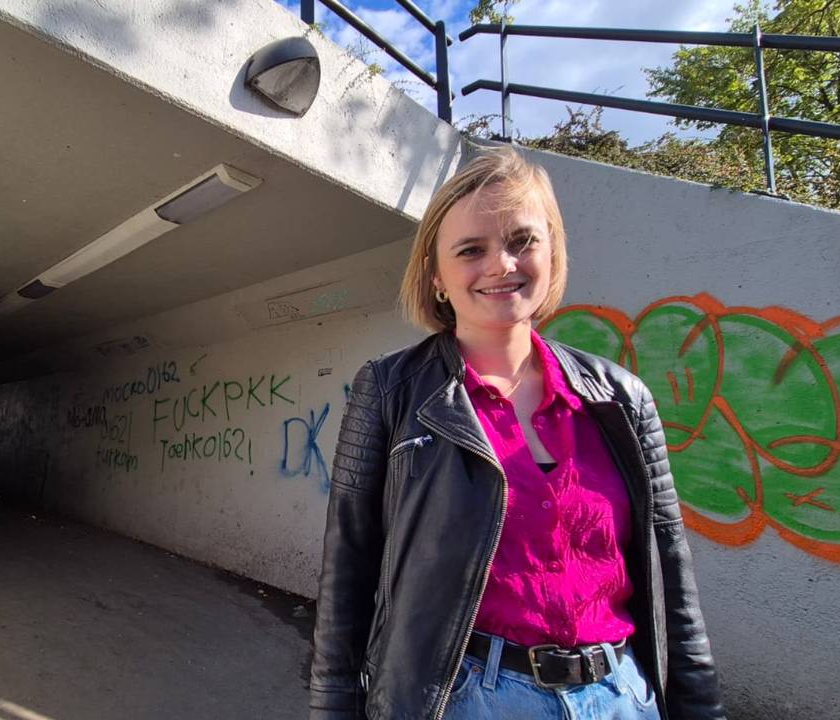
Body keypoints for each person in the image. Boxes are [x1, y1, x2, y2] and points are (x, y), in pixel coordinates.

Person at [308, 147, 724, 720]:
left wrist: (700, 706)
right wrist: (333, 708)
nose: (501, 264)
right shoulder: (389, 391)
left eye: (522, 241)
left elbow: (671, 575)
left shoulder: (621, 399)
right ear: (436, 275)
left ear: (552, 253)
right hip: (466, 698)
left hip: (622, 697)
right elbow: (347, 572)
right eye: (471, 250)